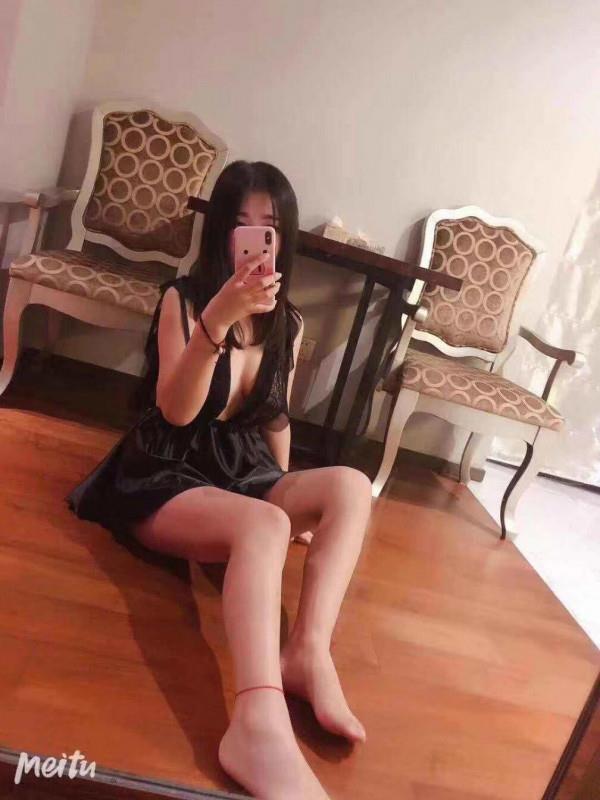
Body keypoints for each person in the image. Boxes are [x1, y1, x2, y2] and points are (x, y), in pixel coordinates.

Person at [65, 160, 373, 800]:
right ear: (221, 234)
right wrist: (218, 320)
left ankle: (307, 652)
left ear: (284, 238)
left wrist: (287, 496)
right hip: (166, 469)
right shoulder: (183, 300)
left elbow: (275, 414)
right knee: (262, 523)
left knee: (349, 485)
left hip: (241, 467)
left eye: (269, 226)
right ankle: (257, 723)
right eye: (241, 224)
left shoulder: (288, 321)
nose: (255, 239)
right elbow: (176, 411)